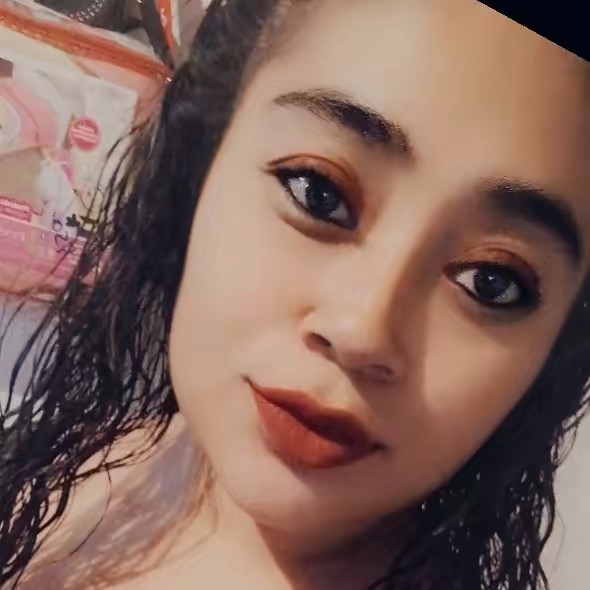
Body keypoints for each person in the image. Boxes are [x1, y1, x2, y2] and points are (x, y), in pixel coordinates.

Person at [1, 0, 589, 588]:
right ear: (207, 153)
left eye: (491, 283)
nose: (361, 331)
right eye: (317, 193)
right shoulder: (106, 457)